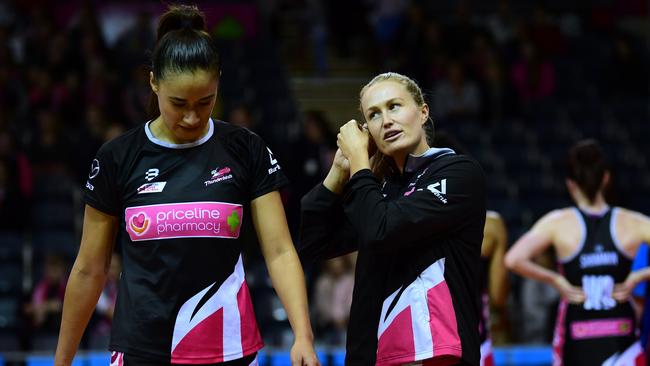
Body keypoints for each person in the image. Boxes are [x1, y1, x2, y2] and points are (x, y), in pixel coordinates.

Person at [54, 5, 319, 366]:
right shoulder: (118, 156)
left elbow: (279, 251)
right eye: (178, 103)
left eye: (205, 101)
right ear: (153, 83)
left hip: (230, 348)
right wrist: (62, 361)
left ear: (218, 83)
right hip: (142, 350)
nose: (192, 117)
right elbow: (90, 268)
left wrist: (302, 334)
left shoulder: (245, 148)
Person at [299, 72, 486, 365]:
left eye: (394, 106)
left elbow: (381, 230)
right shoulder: (376, 189)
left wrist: (361, 163)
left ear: (423, 112)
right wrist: (338, 171)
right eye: (373, 114)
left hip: (432, 354)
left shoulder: (458, 173)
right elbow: (313, 244)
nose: (385, 120)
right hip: (370, 354)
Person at [505, 139, 650, 366]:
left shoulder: (558, 223)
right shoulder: (632, 222)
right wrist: (638, 277)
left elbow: (513, 259)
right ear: (606, 178)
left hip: (577, 330)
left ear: (571, 183)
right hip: (621, 330)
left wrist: (557, 281)